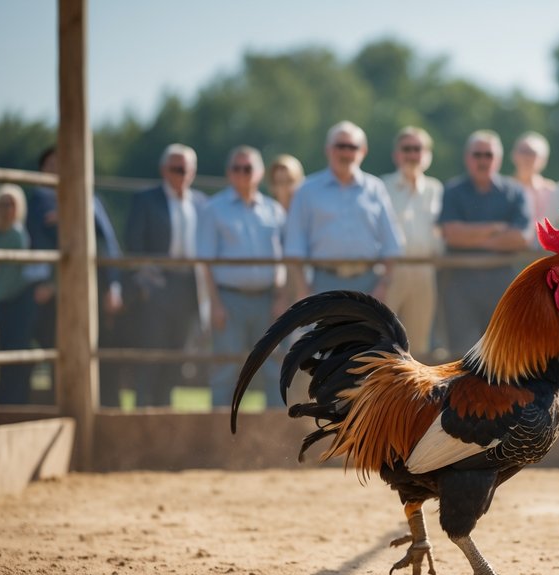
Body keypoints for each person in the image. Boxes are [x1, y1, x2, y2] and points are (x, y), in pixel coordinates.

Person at [25, 147, 125, 405]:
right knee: (59, 348)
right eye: (51, 164)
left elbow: (108, 244)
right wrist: (52, 283)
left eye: (64, 163)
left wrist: (113, 285)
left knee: (98, 347)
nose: (58, 169)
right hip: (57, 290)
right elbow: (45, 243)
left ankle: (101, 405)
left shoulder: (92, 199)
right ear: (42, 169)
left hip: (94, 286)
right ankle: (63, 405)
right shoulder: (39, 199)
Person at [196, 146, 286, 409]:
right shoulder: (213, 209)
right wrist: (215, 304)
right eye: (237, 168)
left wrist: (281, 297)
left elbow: (283, 260)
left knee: (273, 368)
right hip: (229, 299)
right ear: (228, 173)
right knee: (226, 370)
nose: (242, 174)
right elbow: (206, 262)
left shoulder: (274, 211)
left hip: (268, 299)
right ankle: (219, 439)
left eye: (248, 168)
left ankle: (274, 438)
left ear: (259, 173)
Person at [123, 143, 208, 408]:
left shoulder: (201, 202)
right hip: (157, 285)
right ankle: (141, 415)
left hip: (189, 287)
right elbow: (133, 243)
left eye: (186, 169)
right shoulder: (145, 199)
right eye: (176, 168)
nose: (181, 174)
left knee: (177, 357)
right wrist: (146, 282)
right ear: (164, 170)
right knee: (151, 357)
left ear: (193, 171)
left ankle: (164, 415)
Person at [284, 121, 402, 301]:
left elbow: (392, 244)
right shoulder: (307, 190)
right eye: (340, 146)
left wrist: (383, 286)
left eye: (352, 147)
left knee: (364, 331)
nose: (346, 153)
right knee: (324, 331)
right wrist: (302, 289)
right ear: (328, 150)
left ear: (363, 151)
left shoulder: (376, 188)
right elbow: (294, 246)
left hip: (369, 284)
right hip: (321, 284)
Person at [438, 129, 530, 353]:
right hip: (460, 285)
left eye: (488, 155)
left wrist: (471, 239)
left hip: (503, 285)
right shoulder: (453, 191)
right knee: (462, 356)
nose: (482, 160)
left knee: (502, 355)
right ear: (467, 158)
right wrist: (495, 229)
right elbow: (451, 234)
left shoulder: (515, 192)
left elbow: (521, 238)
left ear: (498, 159)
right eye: (477, 154)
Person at [380, 126, 444, 355]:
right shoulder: (382, 187)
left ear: (427, 154)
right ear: (396, 154)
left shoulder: (436, 189)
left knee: (417, 345)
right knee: (382, 341)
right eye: (406, 149)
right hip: (390, 271)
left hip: (425, 273)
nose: (412, 155)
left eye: (417, 149)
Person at [0, 185, 34, 404]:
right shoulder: (0, 233)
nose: (7, 209)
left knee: (13, 351)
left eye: (11, 204)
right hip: (3, 300)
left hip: (14, 300)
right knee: (8, 350)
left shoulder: (15, 234)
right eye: (3, 204)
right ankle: (7, 399)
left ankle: (11, 400)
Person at [511, 131, 556, 226]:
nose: (526, 157)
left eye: (532, 153)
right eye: (523, 151)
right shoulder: (504, 190)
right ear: (514, 155)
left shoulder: (551, 191)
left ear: (543, 160)